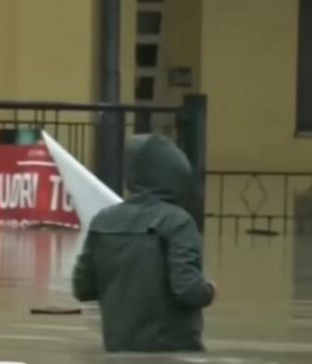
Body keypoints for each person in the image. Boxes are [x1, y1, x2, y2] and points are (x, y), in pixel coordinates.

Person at [73, 134, 215, 352]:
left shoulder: (103, 220)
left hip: (118, 350)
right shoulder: (178, 222)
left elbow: (82, 288)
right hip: (174, 355)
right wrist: (209, 290)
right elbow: (188, 290)